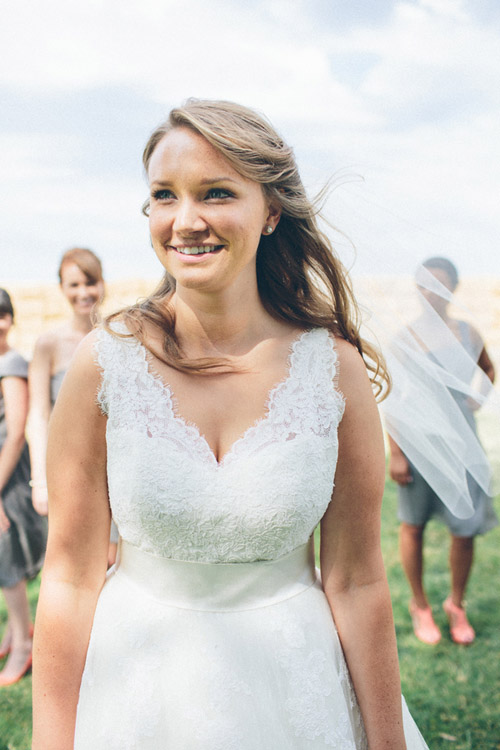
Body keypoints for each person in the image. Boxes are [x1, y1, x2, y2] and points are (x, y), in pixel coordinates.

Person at [33, 99, 428, 748]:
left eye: (215, 193)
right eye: (164, 196)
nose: (185, 221)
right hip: (139, 692)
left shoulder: (333, 369)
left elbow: (356, 580)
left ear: (271, 211)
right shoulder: (103, 365)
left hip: (297, 692)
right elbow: (69, 580)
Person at [388, 257, 497, 645]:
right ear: (417, 289)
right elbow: (393, 397)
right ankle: (420, 605)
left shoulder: (469, 333)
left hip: (462, 445)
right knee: (413, 526)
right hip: (417, 446)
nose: (432, 294)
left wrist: (476, 400)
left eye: (441, 285)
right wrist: (397, 453)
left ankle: (456, 603)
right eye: (425, 285)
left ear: (454, 288)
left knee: (464, 529)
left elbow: (488, 369)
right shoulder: (404, 339)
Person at [28, 248, 119, 566]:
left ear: (103, 284)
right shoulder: (48, 344)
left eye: (90, 283)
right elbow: (38, 415)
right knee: (75, 565)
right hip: (69, 471)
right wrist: (40, 481)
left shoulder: (121, 335)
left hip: (117, 469)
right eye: (74, 285)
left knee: (117, 564)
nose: (84, 293)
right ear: (62, 289)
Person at [0, 289, 47, 686]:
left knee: (6, 558)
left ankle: (22, 645)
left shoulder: (11, 362)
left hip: (7, 474)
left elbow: (15, 433)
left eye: (3, 316)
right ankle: (14, 631)